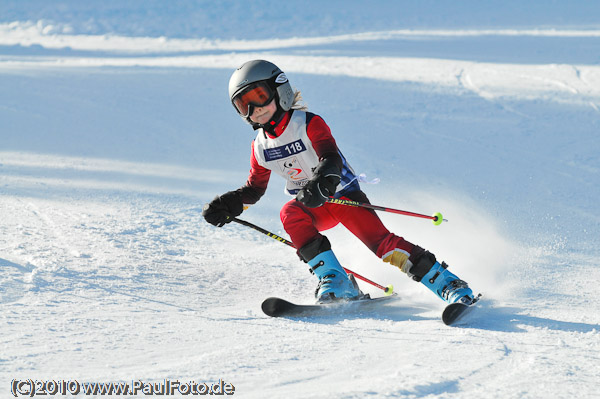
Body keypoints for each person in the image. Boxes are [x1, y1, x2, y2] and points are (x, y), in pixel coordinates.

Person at [202, 59, 475, 305]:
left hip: (343, 197)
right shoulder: (260, 146)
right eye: (243, 105)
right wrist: (227, 204)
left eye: (259, 97)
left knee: (384, 247)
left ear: (279, 90)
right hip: (312, 205)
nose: (254, 109)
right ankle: (336, 280)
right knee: (289, 212)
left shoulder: (307, 123)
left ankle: (448, 283)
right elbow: (254, 189)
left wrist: (323, 181)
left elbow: (330, 157)